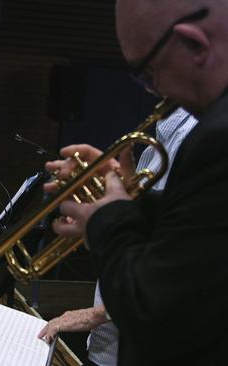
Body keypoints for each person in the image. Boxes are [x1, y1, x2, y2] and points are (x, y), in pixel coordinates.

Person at [46, 0, 228, 365]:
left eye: (149, 73)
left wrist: (108, 220)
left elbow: (155, 314)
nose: (156, 93)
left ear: (195, 44)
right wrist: (132, 200)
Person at [38, 108, 198, 366]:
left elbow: (185, 265)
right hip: (113, 335)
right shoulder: (163, 137)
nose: (147, 82)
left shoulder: (201, 136)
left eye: (148, 69)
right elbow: (150, 231)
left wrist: (96, 314)